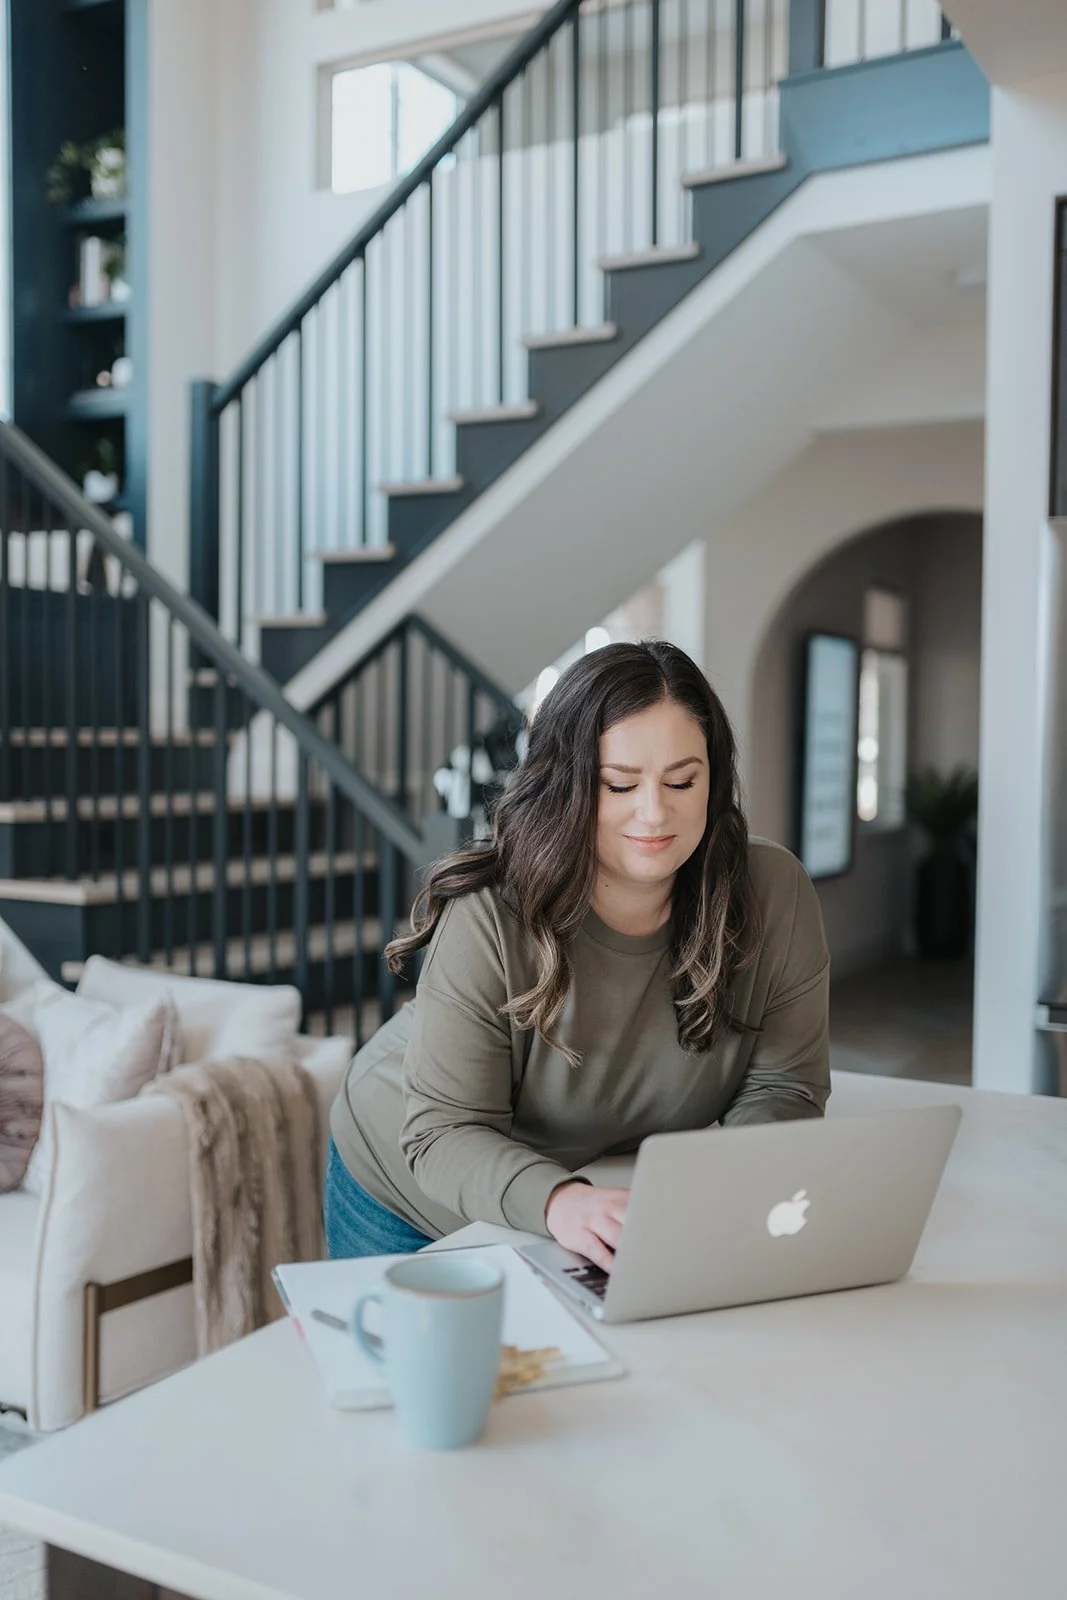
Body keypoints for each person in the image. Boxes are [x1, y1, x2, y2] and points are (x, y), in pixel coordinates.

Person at [325, 640, 830, 1270]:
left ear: (714, 779)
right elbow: (444, 1133)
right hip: (409, 1188)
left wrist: (731, 1189)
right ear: (566, 785)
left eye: (682, 781)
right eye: (619, 784)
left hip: (588, 1194)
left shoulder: (773, 892)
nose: (655, 812)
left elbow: (783, 1086)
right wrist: (560, 1201)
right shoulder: (490, 914)